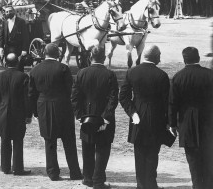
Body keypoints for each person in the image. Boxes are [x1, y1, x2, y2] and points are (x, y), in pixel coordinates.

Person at [29, 43, 83, 181]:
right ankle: (75, 172)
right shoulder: (63, 68)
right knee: (69, 140)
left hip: (44, 107)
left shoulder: (35, 70)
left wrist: (35, 112)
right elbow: (70, 90)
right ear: (57, 54)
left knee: (49, 141)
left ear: (44, 54)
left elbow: (31, 94)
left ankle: (53, 172)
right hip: (63, 106)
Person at [119, 45, 170, 189]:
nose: (160, 57)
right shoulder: (162, 75)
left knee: (139, 152)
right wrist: (168, 122)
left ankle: (141, 185)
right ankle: (151, 184)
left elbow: (123, 97)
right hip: (156, 116)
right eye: (159, 55)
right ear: (155, 57)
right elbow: (167, 102)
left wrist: (132, 113)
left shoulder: (132, 72)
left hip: (138, 115)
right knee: (153, 153)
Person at [72, 45, 118, 189]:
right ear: (104, 58)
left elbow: (75, 97)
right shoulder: (110, 74)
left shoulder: (81, 73)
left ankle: (88, 178)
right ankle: (98, 180)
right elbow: (113, 99)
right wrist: (106, 117)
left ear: (90, 57)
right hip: (103, 115)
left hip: (86, 115)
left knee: (88, 147)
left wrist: (80, 116)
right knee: (103, 149)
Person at [169, 47, 213, 189]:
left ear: (184, 59)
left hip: (187, 124)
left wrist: (172, 124)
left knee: (193, 160)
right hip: (208, 122)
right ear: (198, 58)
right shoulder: (210, 75)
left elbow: (172, 103)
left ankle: (197, 185)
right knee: (208, 158)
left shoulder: (178, 77)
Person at [0, 53, 32, 175]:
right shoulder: (23, 76)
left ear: (6, 63)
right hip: (18, 112)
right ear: (17, 63)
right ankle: (18, 168)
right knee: (18, 140)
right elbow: (27, 98)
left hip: (2, 112)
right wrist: (28, 115)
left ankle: (5, 167)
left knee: (5, 139)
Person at [0, 5, 29, 71]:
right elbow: (1, 36)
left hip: (18, 49)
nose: (8, 13)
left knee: (19, 68)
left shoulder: (21, 22)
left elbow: (25, 36)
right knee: (8, 68)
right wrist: (0, 47)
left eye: (10, 11)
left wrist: (24, 49)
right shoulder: (4, 22)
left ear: (14, 12)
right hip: (7, 49)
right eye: (7, 12)